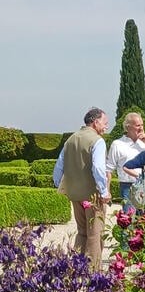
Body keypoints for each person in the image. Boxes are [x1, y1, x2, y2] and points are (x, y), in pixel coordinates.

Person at [52, 107, 111, 270]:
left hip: (74, 193)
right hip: (93, 195)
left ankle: (77, 266)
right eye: (105, 123)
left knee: (82, 231)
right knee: (95, 233)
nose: (106, 126)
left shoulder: (71, 139)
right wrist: (104, 191)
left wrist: (58, 185)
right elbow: (98, 169)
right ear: (96, 122)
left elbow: (59, 166)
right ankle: (92, 271)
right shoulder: (97, 141)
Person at [105, 112, 145, 210]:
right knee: (129, 218)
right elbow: (109, 169)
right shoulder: (117, 144)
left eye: (142, 125)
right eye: (137, 125)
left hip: (144, 185)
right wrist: (107, 190)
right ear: (128, 127)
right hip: (127, 186)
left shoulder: (144, 144)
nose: (141, 128)